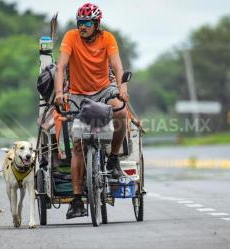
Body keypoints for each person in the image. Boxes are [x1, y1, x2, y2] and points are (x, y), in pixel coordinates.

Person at [54, 3, 129, 219]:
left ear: (96, 24)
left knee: (121, 113)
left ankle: (113, 158)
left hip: (105, 89)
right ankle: (77, 200)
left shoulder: (108, 39)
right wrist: (60, 92)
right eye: (79, 23)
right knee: (78, 144)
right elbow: (60, 66)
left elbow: (118, 67)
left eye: (87, 23)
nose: (82, 27)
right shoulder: (70, 37)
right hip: (78, 94)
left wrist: (123, 88)